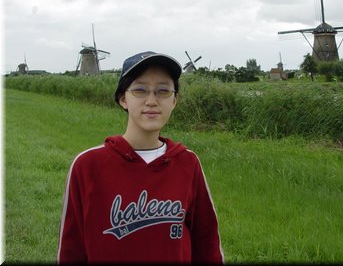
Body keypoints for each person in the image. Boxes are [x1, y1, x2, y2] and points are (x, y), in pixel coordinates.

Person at [57, 51, 224, 264]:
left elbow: (207, 244)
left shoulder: (188, 163)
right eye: (140, 90)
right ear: (122, 99)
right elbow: (71, 250)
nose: (152, 101)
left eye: (163, 90)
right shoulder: (87, 165)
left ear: (174, 100)